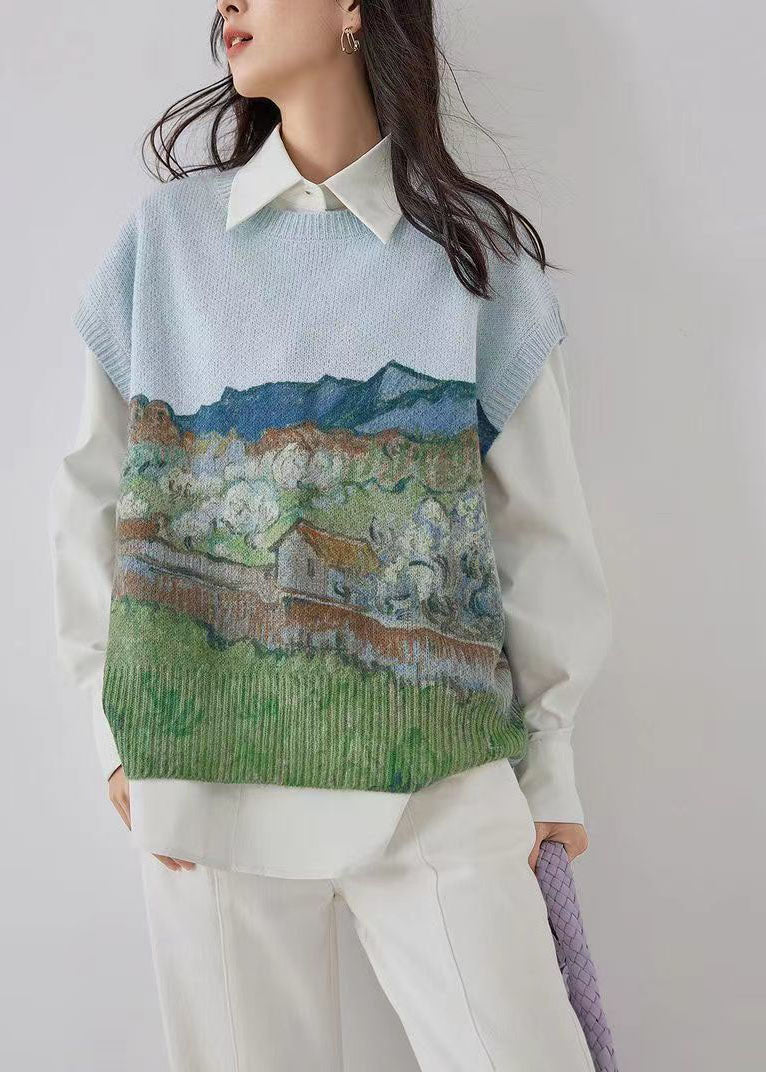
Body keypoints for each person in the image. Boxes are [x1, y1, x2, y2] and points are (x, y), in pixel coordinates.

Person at [49, 2, 612, 1068]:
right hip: (207, 781)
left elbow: (539, 534)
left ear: (355, 7)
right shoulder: (167, 243)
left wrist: (550, 765)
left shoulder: (473, 259)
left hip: (442, 777)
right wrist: (115, 731)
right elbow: (91, 493)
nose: (227, 4)